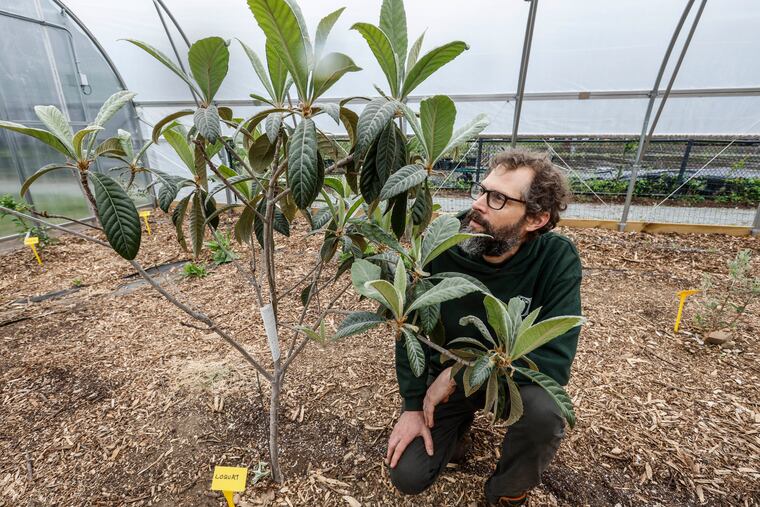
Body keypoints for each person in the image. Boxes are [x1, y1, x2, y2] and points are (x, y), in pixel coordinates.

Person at [386, 148, 582, 506]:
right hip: (444, 381)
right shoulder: (443, 242)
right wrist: (412, 405)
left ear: (535, 219)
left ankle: (507, 491)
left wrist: (462, 373)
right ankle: (456, 429)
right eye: (482, 190)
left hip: (509, 377)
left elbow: (554, 360)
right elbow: (409, 325)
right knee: (408, 476)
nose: (477, 204)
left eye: (497, 199)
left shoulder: (556, 258)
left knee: (544, 411)